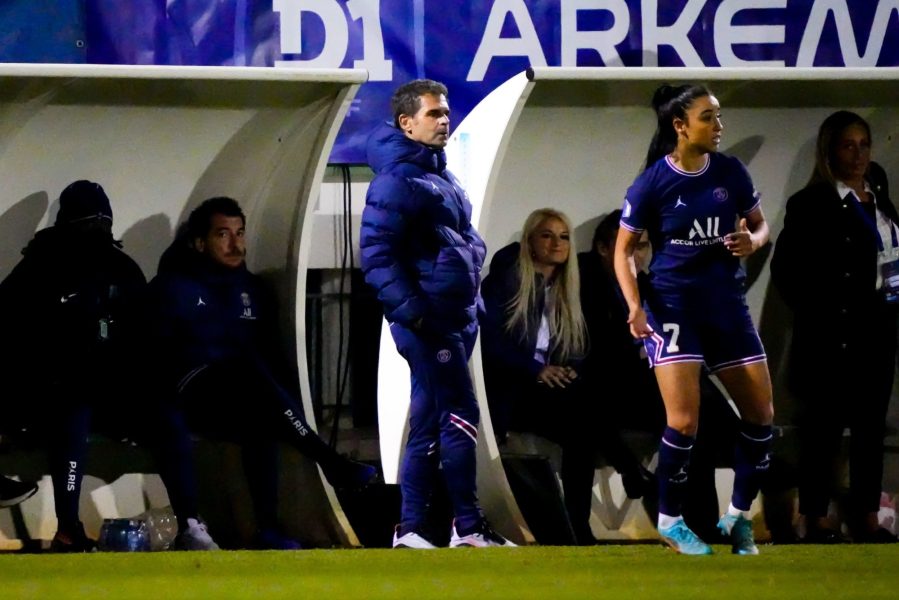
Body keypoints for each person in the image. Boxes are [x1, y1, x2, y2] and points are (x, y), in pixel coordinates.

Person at [146, 196, 377, 550]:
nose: (235, 243)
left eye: (240, 233)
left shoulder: (250, 289)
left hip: (239, 393)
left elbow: (269, 353)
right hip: (188, 394)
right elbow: (155, 357)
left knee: (261, 414)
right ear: (199, 242)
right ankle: (329, 461)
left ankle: (268, 530)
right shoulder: (173, 287)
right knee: (247, 370)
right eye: (223, 234)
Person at [613, 84, 774, 555]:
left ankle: (738, 519)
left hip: (727, 308)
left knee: (762, 416)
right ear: (680, 126)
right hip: (674, 309)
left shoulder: (731, 173)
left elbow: (760, 224)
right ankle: (671, 521)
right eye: (709, 117)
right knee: (683, 422)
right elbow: (623, 251)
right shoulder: (652, 184)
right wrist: (635, 306)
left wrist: (755, 242)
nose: (719, 126)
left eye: (719, 117)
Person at [360, 79, 514, 548]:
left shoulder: (437, 172)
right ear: (407, 123)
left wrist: (472, 302)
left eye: (445, 112)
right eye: (434, 113)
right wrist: (417, 315)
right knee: (461, 413)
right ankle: (467, 525)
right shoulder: (397, 179)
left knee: (428, 420)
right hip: (430, 324)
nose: (444, 119)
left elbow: (460, 241)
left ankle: (410, 530)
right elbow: (375, 254)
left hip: (455, 319)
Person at [481, 208, 653, 545]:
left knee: (583, 424)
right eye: (546, 235)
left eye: (563, 236)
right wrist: (537, 369)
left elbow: (577, 345)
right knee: (585, 409)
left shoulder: (567, 285)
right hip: (515, 388)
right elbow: (490, 343)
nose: (557, 243)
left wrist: (572, 365)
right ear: (529, 242)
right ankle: (629, 472)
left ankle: (577, 526)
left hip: (553, 390)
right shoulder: (508, 278)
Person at [0, 180, 156, 551]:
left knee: (86, 400)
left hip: (111, 393)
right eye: (89, 221)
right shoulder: (40, 266)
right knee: (74, 404)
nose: (97, 230)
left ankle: (190, 523)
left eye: (102, 222)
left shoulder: (121, 269)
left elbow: (145, 337)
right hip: (48, 394)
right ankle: (68, 524)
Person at [770, 111, 899, 544]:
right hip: (831, 336)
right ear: (830, 151)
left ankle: (865, 515)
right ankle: (815, 516)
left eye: (864, 144)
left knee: (869, 430)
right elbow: (787, 272)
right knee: (821, 431)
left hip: (876, 332)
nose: (859, 154)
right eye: (849, 145)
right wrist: (826, 310)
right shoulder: (812, 203)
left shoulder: (879, 194)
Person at [583, 210, 744, 544]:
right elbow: (600, 353)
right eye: (627, 246)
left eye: (641, 247)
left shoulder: (650, 284)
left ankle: (703, 519)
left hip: (654, 386)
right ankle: (742, 449)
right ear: (602, 248)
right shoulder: (587, 284)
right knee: (693, 413)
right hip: (611, 391)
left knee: (693, 413)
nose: (636, 254)